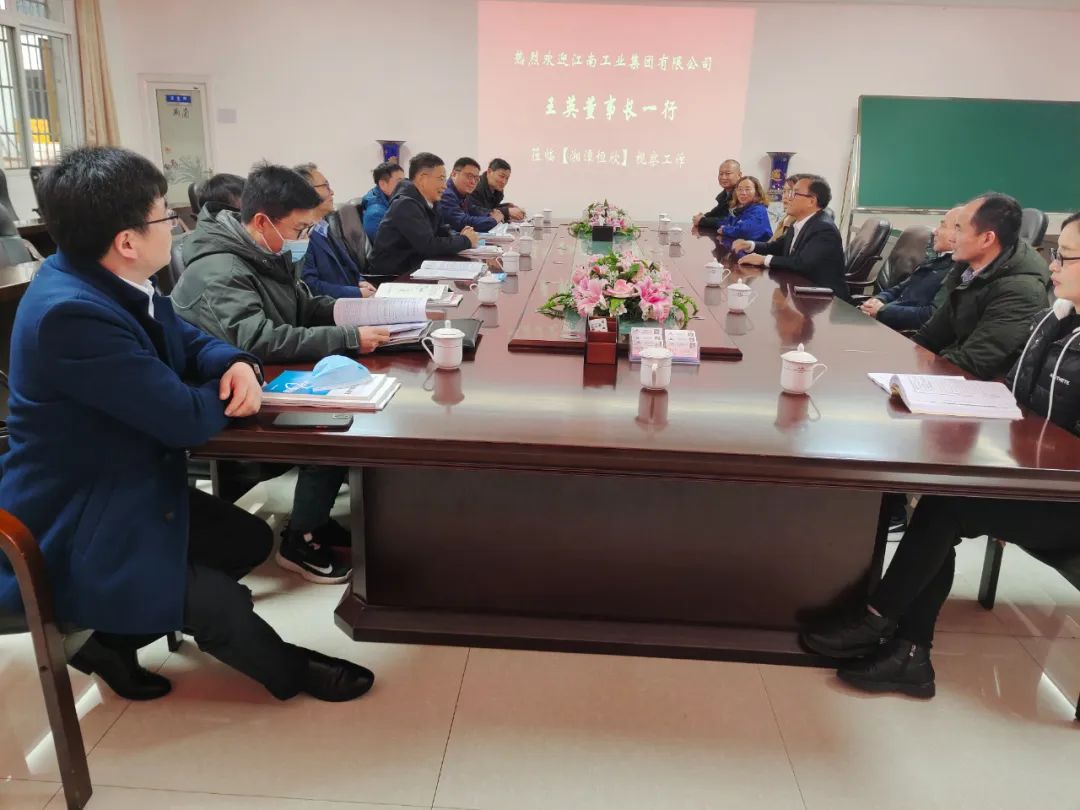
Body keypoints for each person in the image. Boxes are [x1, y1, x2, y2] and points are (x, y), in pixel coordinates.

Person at [0, 146, 374, 703]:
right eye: (164, 218)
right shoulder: (69, 314)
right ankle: (290, 673)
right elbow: (182, 419)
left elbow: (190, 340)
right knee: (217, 603)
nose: (176, 228)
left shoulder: (112, 278)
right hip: (81, 514)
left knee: (249, 540)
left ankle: (107, 640)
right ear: (127, 241)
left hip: (132, 482)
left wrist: (236, 364)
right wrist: (234, 388)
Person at [801, 211, 1080, 699]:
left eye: (1067, 256)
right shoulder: (1057, 318)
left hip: (1065, 497)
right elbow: (1018, 393)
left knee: (947, 505)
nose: (1052, 264)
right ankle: (907, 648)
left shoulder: (1041, 307)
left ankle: (881, 623)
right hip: (1032, 471)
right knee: (943, 496)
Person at [172, 163, 390, 584]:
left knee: (351, 400)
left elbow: (303, 305)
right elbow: (258, 339)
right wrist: (347, 337)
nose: (303, 239)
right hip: (225, 392)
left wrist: (359, 312)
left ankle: (315, 517)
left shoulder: (263, 251)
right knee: (329, 425)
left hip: (260, 373)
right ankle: (299, 540)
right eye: (300, 229)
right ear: (262, 221)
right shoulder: (221, 269)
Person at [914, 193, 1050, 380]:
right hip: (952, 370)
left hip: (987, 386)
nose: (952, 238)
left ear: (987, 239)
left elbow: (972, 363)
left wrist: (917, 378)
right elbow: (930, 336)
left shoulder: (1023, 291)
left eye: (959, 229)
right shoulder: (967, 269)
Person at [733, 175, 849, 300]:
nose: (787, 198)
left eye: (794, 193)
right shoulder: (799, 222)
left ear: (811, 201)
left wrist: (763, 260)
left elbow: (802, 263)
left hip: (825, 299)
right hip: (800, 292)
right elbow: (777, 247)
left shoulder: (823, 228)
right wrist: (750, 245)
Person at [371, 152, 478, 278]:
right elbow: (428, 246)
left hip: (416, 268)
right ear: (422, 179)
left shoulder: (431, 201)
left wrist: (461, 236)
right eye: (441, 179)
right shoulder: (405, 204)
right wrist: (465, 240)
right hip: (393, 276)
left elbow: (441, 232)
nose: (445, 186)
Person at [860, 207, 962, 332]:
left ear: (959, 233)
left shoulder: (958, 272)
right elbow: (900, 288)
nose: (935, 231)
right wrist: (878, 300)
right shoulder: (938, 260)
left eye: (943, 226)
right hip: (884, 320)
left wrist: (882, 311)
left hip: (901, 332)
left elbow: (932, 315)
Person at [298, 160, 378, 300]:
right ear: (307, 191)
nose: (332, 192)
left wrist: (359, 281)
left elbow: (346, 266)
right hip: (332, 306)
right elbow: (311, 286)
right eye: (326, 186)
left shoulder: (323, 225)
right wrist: (356, 293)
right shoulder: (301, 235)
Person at [439, 157, 502, 233]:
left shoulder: (463, 193)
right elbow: (462, 222)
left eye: (476, 178)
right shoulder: (445, 194)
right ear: (454, 174)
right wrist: (493, 220)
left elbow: (473, 210)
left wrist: (490, 214)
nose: (473, 182)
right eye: (469, 176)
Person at [716, 176, 772, 248]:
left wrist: (725, 229)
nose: (743, 193)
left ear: (757, 192)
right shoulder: (740, 208)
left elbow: (745, 231)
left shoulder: (759, 209)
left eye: (747, 189)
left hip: (757, 252)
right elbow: (725, 222)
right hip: (740, 248)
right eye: (740, 189)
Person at [692, 159, 742, 232]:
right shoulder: (725, 194)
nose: (723, 177)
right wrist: (703, 217)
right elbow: (717, 212)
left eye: (728, 173)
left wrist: (702, 220)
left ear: (739, 175)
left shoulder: (742, 195)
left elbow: (730, 220)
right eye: (721, 174)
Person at [470, 158, 525, 222]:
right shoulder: (474, 186)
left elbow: (490, 208)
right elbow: (474, 211)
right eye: (501, 176)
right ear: (489, 172)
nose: (504, 182)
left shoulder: (497, 190)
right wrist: (507, 211)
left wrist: (507, 206)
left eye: (507, 178)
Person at [361, 161, 405, 240]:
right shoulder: (375, 214)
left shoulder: (393, 201)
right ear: (383, 184)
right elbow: (389, 245)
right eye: (399, 182)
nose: (405, 186)